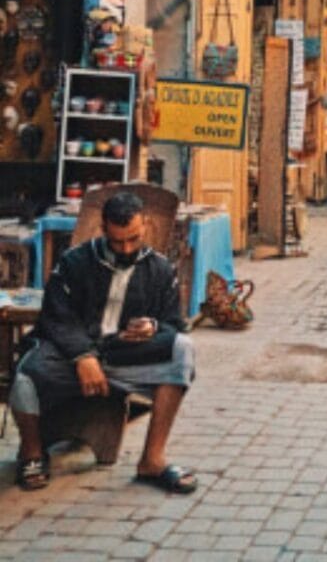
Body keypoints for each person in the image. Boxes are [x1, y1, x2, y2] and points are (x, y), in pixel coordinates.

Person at [10, 191, 197, 493]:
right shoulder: (74, 261)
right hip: (71, 357)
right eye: (118, 241)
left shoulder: (161, 269)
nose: (126, 248)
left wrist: (152, 326)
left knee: (183, 350)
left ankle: (152, 460)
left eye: (133, 239)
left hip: (124, 356)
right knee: (25, 375)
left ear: (145, 226)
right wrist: (83, 355)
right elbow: (56, 317)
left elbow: (175, 323)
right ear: (103, 228)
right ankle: (32, 454)